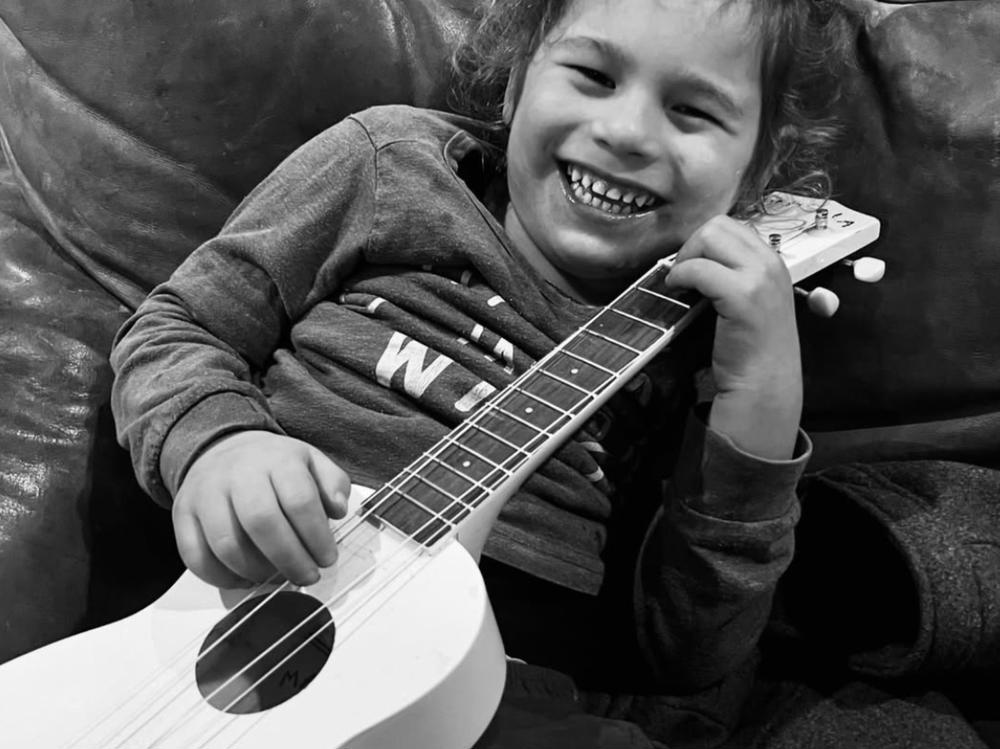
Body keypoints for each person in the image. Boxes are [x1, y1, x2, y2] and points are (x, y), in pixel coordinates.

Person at [110, 0, 848, 745]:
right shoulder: (394, 164)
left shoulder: (712, 338)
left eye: (693, 112)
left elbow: (689, 648)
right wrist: (220, 444)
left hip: (509, 689)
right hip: (249, 605)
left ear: (761, 165)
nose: (626, 131)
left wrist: (761, 398)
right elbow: (178, 325)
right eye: (592, 75)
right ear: (516, 80)